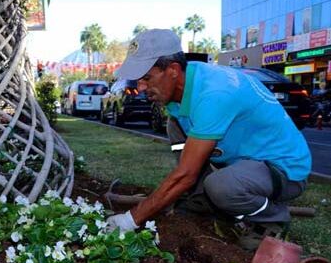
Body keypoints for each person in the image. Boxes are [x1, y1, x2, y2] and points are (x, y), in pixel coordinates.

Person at [106, 29, 311, 250]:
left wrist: (130, 219)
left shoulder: (215, 94)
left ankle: (272, 218)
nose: (141, 88)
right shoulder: (188, 82)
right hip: (247, 162)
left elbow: (185, 174)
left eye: (147, 78)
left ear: (173, 70)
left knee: (221, 187)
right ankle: (201, 199)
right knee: (175, 126)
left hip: (284, 169)